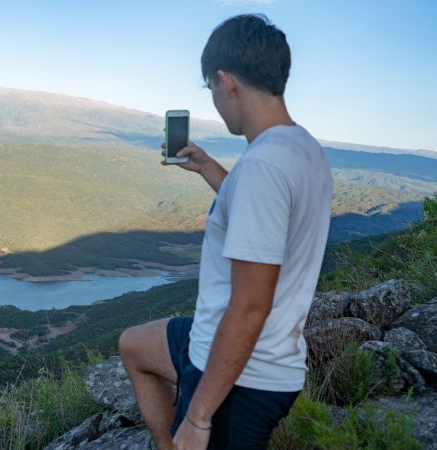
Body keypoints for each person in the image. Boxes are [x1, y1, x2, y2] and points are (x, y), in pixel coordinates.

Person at [118, 14, 333, 450]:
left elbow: (251, 305)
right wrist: (210, 170)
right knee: (134, 346)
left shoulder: (263, 167)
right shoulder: (302, 148)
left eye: (211, 88)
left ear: (225, 80)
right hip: (217, 341)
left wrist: (198, 417)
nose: (214, 99)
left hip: (244, 376)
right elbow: (266, 215)